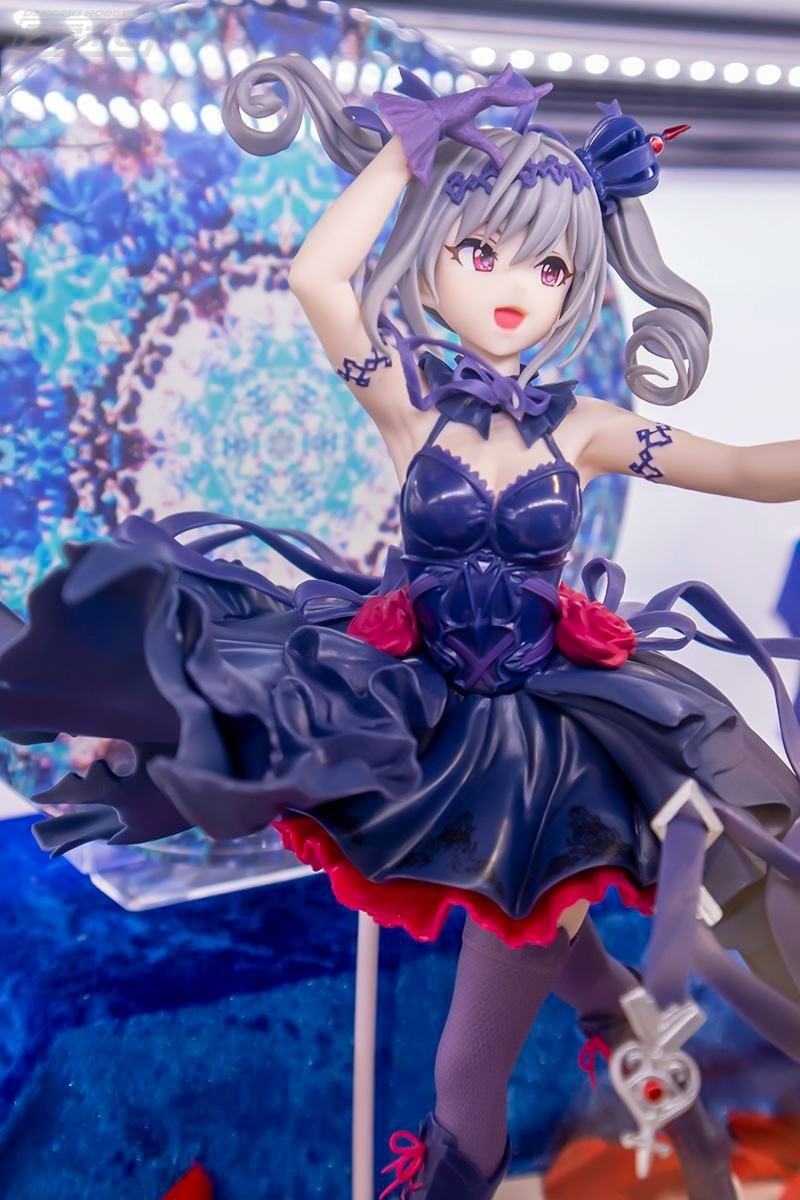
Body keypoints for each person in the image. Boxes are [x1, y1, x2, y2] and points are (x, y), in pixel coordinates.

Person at [1, 56, 799, 1200]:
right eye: (482, 251)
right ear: (435, 254)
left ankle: (565, 1097)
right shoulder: (407, 401)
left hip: (540, 756)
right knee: (539, 939)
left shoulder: (583, 427)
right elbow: (320, 278)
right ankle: (631, 1043)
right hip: (407, 718)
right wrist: (404, 148)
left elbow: (744, 468)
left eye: (549, 265)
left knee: (464, 1068)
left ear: (575, 285)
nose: (513, 285)